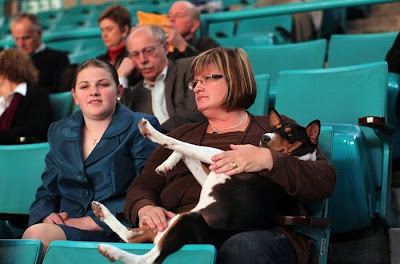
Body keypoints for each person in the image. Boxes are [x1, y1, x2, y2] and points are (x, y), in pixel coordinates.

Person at [123, 47, 336, 264]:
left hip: (254, 231)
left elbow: (324, 180)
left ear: (235, 79)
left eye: (208, 78)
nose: (198, 87)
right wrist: (145, 207)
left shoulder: (274, 131)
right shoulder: (182, 134)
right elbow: (143, 185)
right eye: (195, 82)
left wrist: (269, 159)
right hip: (185, 229)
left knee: (244, 249)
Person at [22, 58, 160, 256]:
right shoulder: (59, 131)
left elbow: (148, 186)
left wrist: (92, 221)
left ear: (119, 91)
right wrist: (46, 216)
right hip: (66, 226)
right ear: (75, 96)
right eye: (84, 86)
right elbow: (47, 189)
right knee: (35, 235)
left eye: (103, 84)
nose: (94, 91)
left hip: (119, 229)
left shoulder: (141, 125)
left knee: (36, 237)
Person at [119, 25, 205, 133]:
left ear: (165, 48)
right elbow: (122, 125)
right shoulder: (136, 93)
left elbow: (196, 112)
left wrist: (157, 134)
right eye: (135, 54)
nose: (142, 60)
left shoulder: (189, 68)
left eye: (149, 51)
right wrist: (121, 77)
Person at [0, 48, 51, 144]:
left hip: (23, 153)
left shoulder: (37, 96)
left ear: (4, 73)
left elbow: (35, 130)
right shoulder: (2, 100)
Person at [10, 12, 71, 93]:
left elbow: (61, 92)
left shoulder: (59, 58)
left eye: (26, 38)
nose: (21, 44)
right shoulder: (11, 62)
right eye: (17, 39)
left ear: (39, 34)